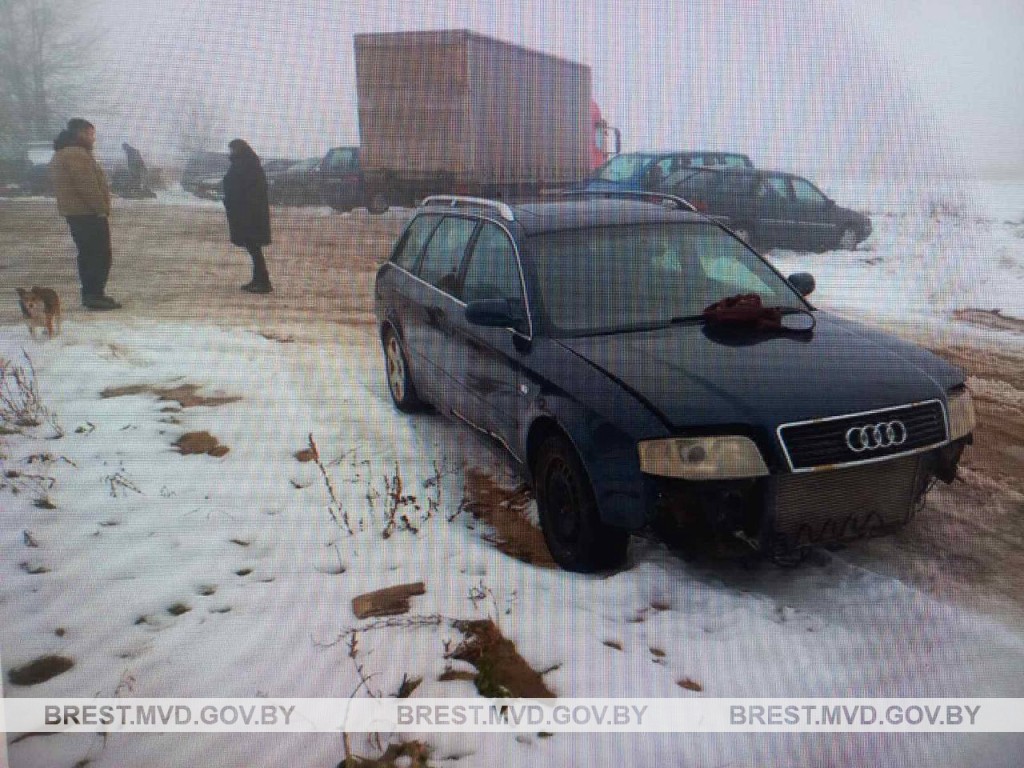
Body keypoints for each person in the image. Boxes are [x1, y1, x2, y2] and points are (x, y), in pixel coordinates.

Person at [50, 118, 121, 310]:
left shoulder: (66, 152)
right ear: (80, 134)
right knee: (98, 254)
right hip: (87, 214)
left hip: (78, 213)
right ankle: (94, 295)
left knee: (89, 254)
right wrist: (100, 208)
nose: (93, 139)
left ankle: (92, 293)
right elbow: (87, 185)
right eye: (90, 134)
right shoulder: (76, 154)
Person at [222, 139, 272, 293]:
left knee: (254, 247)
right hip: (246, 212)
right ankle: (259, 279)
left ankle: (263, 282)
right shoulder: (247, 163)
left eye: (232, 149)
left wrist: (240, 204)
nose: (230, 152)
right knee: (253, 247)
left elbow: (249, 189)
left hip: (249, 214)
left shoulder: (247, 165)